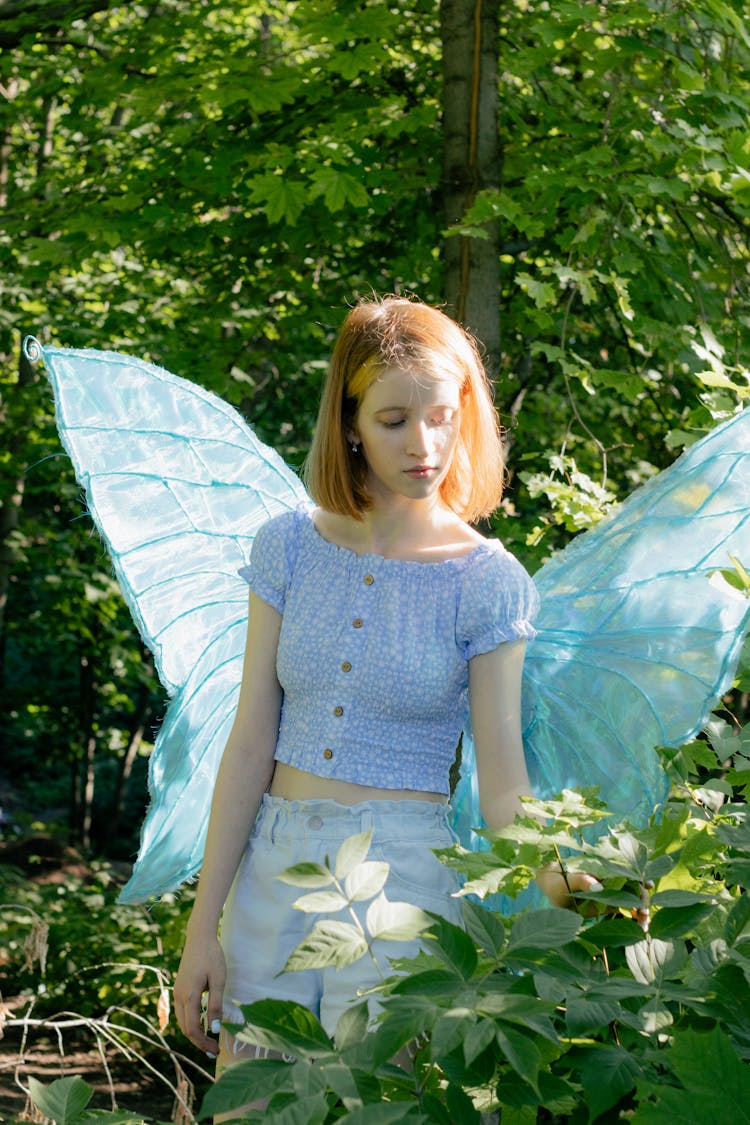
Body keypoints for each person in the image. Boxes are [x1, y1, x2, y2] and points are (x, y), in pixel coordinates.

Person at [172, 295, 595, 1071]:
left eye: (441, 416)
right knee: (255, 1103)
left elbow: (503, 781)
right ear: (350, 424)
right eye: (395, 420)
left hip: (404, 884)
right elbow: (250, 740)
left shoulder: (488, 580)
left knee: (382, 1101)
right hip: (272, 864)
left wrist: (570, 882)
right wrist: (203, 927)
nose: (424, 443)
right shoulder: (289, 546)